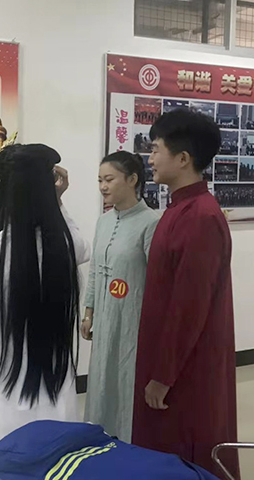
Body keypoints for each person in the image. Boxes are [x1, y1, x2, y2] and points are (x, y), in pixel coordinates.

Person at [0, 143, 90, 449]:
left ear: (2, 192)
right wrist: (57, 200)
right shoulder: (64, 249)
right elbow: (79, 242)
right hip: (55, 400)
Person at [131, 110, 238, 479]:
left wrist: (163, 376)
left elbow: (189, 307)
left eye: (155, 149)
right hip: (166, 356)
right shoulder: (178, 208)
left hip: (185, 368)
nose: (150, 158)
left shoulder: (201, 217)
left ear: (182, 158)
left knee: (184, 451)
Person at [82, 151, 160, 443]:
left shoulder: (150, 223)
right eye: (100, 180)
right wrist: (88, 311)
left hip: (132, 320)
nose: (103, 186)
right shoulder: (103, 221)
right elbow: (94, 270)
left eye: (109, 179)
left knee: (126, 379)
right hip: (104, 318)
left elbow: (157, 281)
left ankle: (126, 443)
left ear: (132, 179)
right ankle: (98, 440)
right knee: (101, 378)